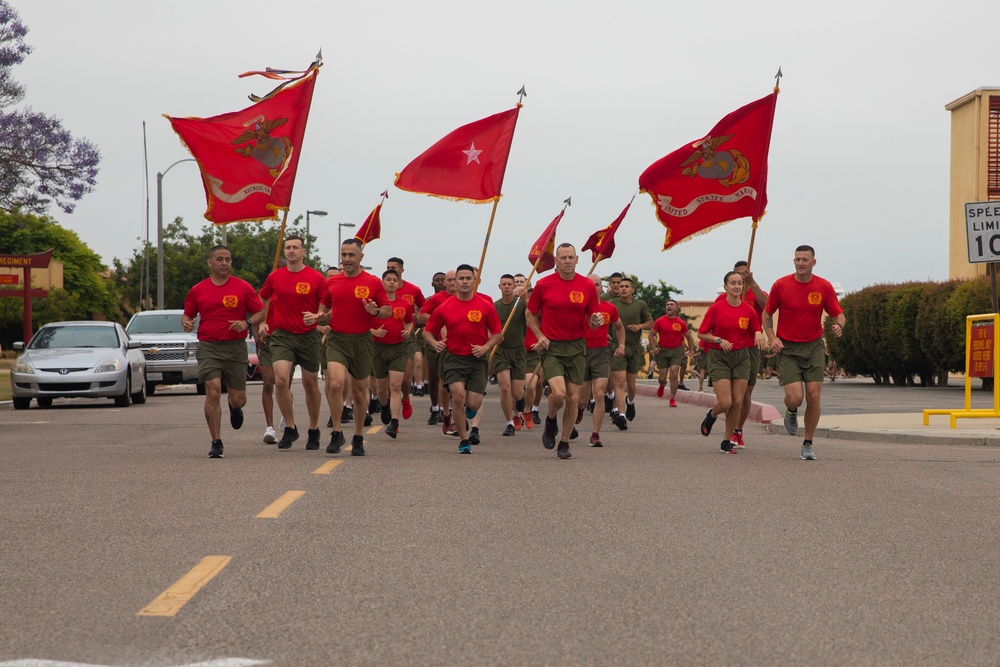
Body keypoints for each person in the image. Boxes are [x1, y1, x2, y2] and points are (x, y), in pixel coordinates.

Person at [307, 238, 391, 456]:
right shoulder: (333, 282)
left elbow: (387, 311)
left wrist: (374, 311)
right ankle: (336, 432)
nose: (347, 259)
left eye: (351, 255)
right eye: (344, 255)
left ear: (361, 257)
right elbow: (324, 305)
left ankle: (358, 435)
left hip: (362, 341)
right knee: (335, 383)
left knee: (360, 392)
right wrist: (320, 315)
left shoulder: (373, 282)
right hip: (337, 339)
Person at [763, 245, 845, 461]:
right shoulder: (781, 285)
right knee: (795, 398)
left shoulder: (823, 286)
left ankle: (808, 443)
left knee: (813, 396)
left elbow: (838, 313)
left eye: (805, 260)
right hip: (788, 349)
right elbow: (767, 314)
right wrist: (772, 338)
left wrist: (839, 326)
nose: (800, 263)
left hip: (813, 347)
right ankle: (791, 411)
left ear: (813, 262)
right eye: (797, 259)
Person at [182, 245, 265, 458]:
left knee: (238, 398)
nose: (224, 263)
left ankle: (234, 407)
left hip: (235, 347)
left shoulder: (243, 287)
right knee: (213, 391)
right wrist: (187, 323)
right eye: (220, 259)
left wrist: (246, 323)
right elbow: (187, 315)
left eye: (228, 259)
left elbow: (260, 312)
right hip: (209, 347)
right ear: (210, 263)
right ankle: (216, 442)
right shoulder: (198, 289)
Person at [525, 243, 605, 460]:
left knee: (573, 398)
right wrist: (539, 335)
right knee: (559, 393)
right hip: (552, 347)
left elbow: (593, 318)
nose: (567, 261)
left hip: (577, 347)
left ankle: (564, 443)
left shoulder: (586, 285)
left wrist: (596, 321)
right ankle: (550, 420)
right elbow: (529, 313)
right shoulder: (544, 284)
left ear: (577, 259)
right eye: (563, 258)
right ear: (556, 261)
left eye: (571, 257)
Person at [423, 264, 503, 454]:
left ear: (474, 281)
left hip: (477, 359)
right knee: (458, 397)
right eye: (461, 278)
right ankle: (463, 440)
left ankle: (470, 411)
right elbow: (427, 331)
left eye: (468, 278)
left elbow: (498, 334)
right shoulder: (445, 307)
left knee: (474, 403)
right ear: (455, 282)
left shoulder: (485, 305)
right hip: (454, 358)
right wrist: (435, 344)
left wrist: (485, 347)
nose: (465, 282)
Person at [258, 236, 329, 451]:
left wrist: (317, 316)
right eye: (288, 247)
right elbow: (263, 298)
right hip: (282, 336)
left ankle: (314, 429)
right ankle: (290, 427)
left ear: (303, 252)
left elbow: (325, 305)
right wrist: (262, 321)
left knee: (310, 385)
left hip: (308, 336)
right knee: (280, 381)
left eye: (295, 248)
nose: (291, 251)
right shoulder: (275, 277)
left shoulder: (316, 277)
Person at [697, 271, 766, 453]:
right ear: (725, 286)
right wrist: (718, 340)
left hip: (741, 357)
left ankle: (726, 440)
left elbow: (755, 328)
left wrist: (758, 333)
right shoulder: (716, 309)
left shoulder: (748, 310)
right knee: (725, 402)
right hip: (719, 357)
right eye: (733, 283)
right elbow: (702, 333)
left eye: (739, 283)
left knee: (737, 401)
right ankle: (712, 414)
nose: (736, 286)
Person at [579, 273, 625, 447]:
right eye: (590, 285)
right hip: (581, 352)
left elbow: (619, 327)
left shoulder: (609, 308)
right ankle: (579, 409)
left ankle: (595, 434)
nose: (594, 288)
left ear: (601, 288)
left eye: (597, 285)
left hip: (601, 353)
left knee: (599, 393)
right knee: (581, 398)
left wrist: (621, 345)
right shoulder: (578, 307)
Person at [371, 268, 414, 439]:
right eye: (388, 279)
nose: (391, 282)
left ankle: (394, 422)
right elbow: (363, 323)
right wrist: (373, 332)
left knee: (395, 386)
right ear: (382, 282)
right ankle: (384, 405)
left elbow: (410, 321)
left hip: (398, 348)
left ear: (398, 283)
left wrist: (408, 331)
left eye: (395, 280)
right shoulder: (374, 304)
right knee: (382, 389)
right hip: (378, 348)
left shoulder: (404, 304)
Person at [730, 261, 769, 448]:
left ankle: (737, 430)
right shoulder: (726, 298)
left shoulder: (757, 292)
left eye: (745, 274)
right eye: (738, 275)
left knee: (745, 394)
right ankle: (728, 428)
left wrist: (753, 284)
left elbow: (768, 307)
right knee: (731, 396)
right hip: (730, 348)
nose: (741, 278)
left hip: (751, 347)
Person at [417, 269, 458, 433]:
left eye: (455, 279)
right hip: (436, 344)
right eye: (449, 280)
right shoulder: (437, 299)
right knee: (435, 378)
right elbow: (421, 316)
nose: (452, 282)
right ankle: (436, 408)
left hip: (458, 346)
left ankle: (451, 413)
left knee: (452, 381)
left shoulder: (466, 297)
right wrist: (439, 319)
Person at [609, 277, 653, 427]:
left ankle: (630, 401)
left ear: (633, 290)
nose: (623, 288)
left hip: (634, 348)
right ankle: (621, 415)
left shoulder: (640, 305)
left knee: (631, 385)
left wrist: (639, 326)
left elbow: (650, 322)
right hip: (617, 347)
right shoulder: (613, 304)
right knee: (620, 382)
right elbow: (605, 319)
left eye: (626, 286)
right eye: (621, 286)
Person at [386, 257, 426, 421]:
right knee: (390, 381)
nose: (391, 269)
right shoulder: (382, 290)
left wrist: (417, 315)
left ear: (401, 270)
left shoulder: (413, 290)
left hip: (407, 337)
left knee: (404, 378)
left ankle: (405, 398)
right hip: (386, 338)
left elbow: (425, 307)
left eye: (394, 267)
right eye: (388, 267)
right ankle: (392, 413)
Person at [492, 274, 529, 437]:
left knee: (516, 393)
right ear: (499, 286)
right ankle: (509, 423)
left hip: (519, 351)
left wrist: (526, 299)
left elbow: (535, 314)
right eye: (504, 284)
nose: (506, 286)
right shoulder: (495, 306)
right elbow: (488, 328)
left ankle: (521, 399)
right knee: (505, 387)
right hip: (501, 351)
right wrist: (494, 337)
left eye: (509, 284)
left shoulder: (520, 305)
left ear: (514, 286)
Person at [649, 299, 696, 407]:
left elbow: (689, 338)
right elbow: (651, 335)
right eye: (667, 305)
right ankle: (662, 385)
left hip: (676, 351)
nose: (669, 306)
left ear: (676, 308)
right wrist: (654, 348)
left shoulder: (681, 323)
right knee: (662, 378)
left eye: (671, 305)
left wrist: (692, 351)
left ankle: (672, 398)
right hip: (663, 351)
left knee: (674, 372)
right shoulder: (660, 321)